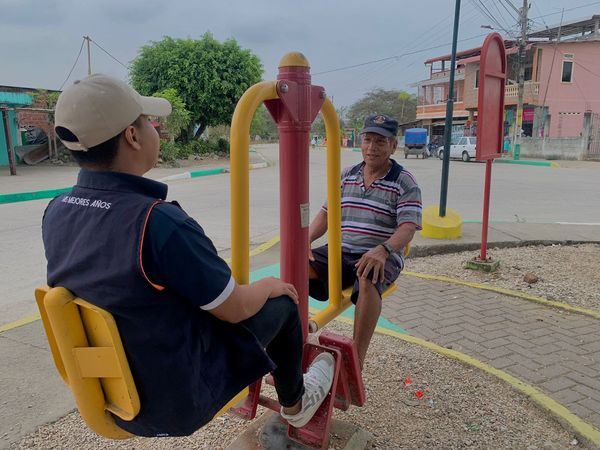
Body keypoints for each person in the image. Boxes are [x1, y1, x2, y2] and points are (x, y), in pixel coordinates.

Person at [42, 74, 334, 437]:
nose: (155, 130)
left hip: (108, 395)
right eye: (148, 122)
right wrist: (268, 285)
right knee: (283, 305)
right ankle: (297, 404)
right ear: (132, 136)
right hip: (175, 403)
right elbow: (234, 307)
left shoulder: (56, 210)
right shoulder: (158, 223)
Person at [308, 114, 422, 368]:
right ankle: (292, 341)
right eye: (368, 140)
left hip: (381, 253)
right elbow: (326, 214)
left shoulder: (404, 182)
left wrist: (383, 250)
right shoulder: (347, 175)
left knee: (369, 275)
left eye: (380, 141)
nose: (372, 147)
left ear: (393, 146)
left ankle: (355, 362)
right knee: (297, 266)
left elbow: (408, 228)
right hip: (342, 250)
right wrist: (306, 240)